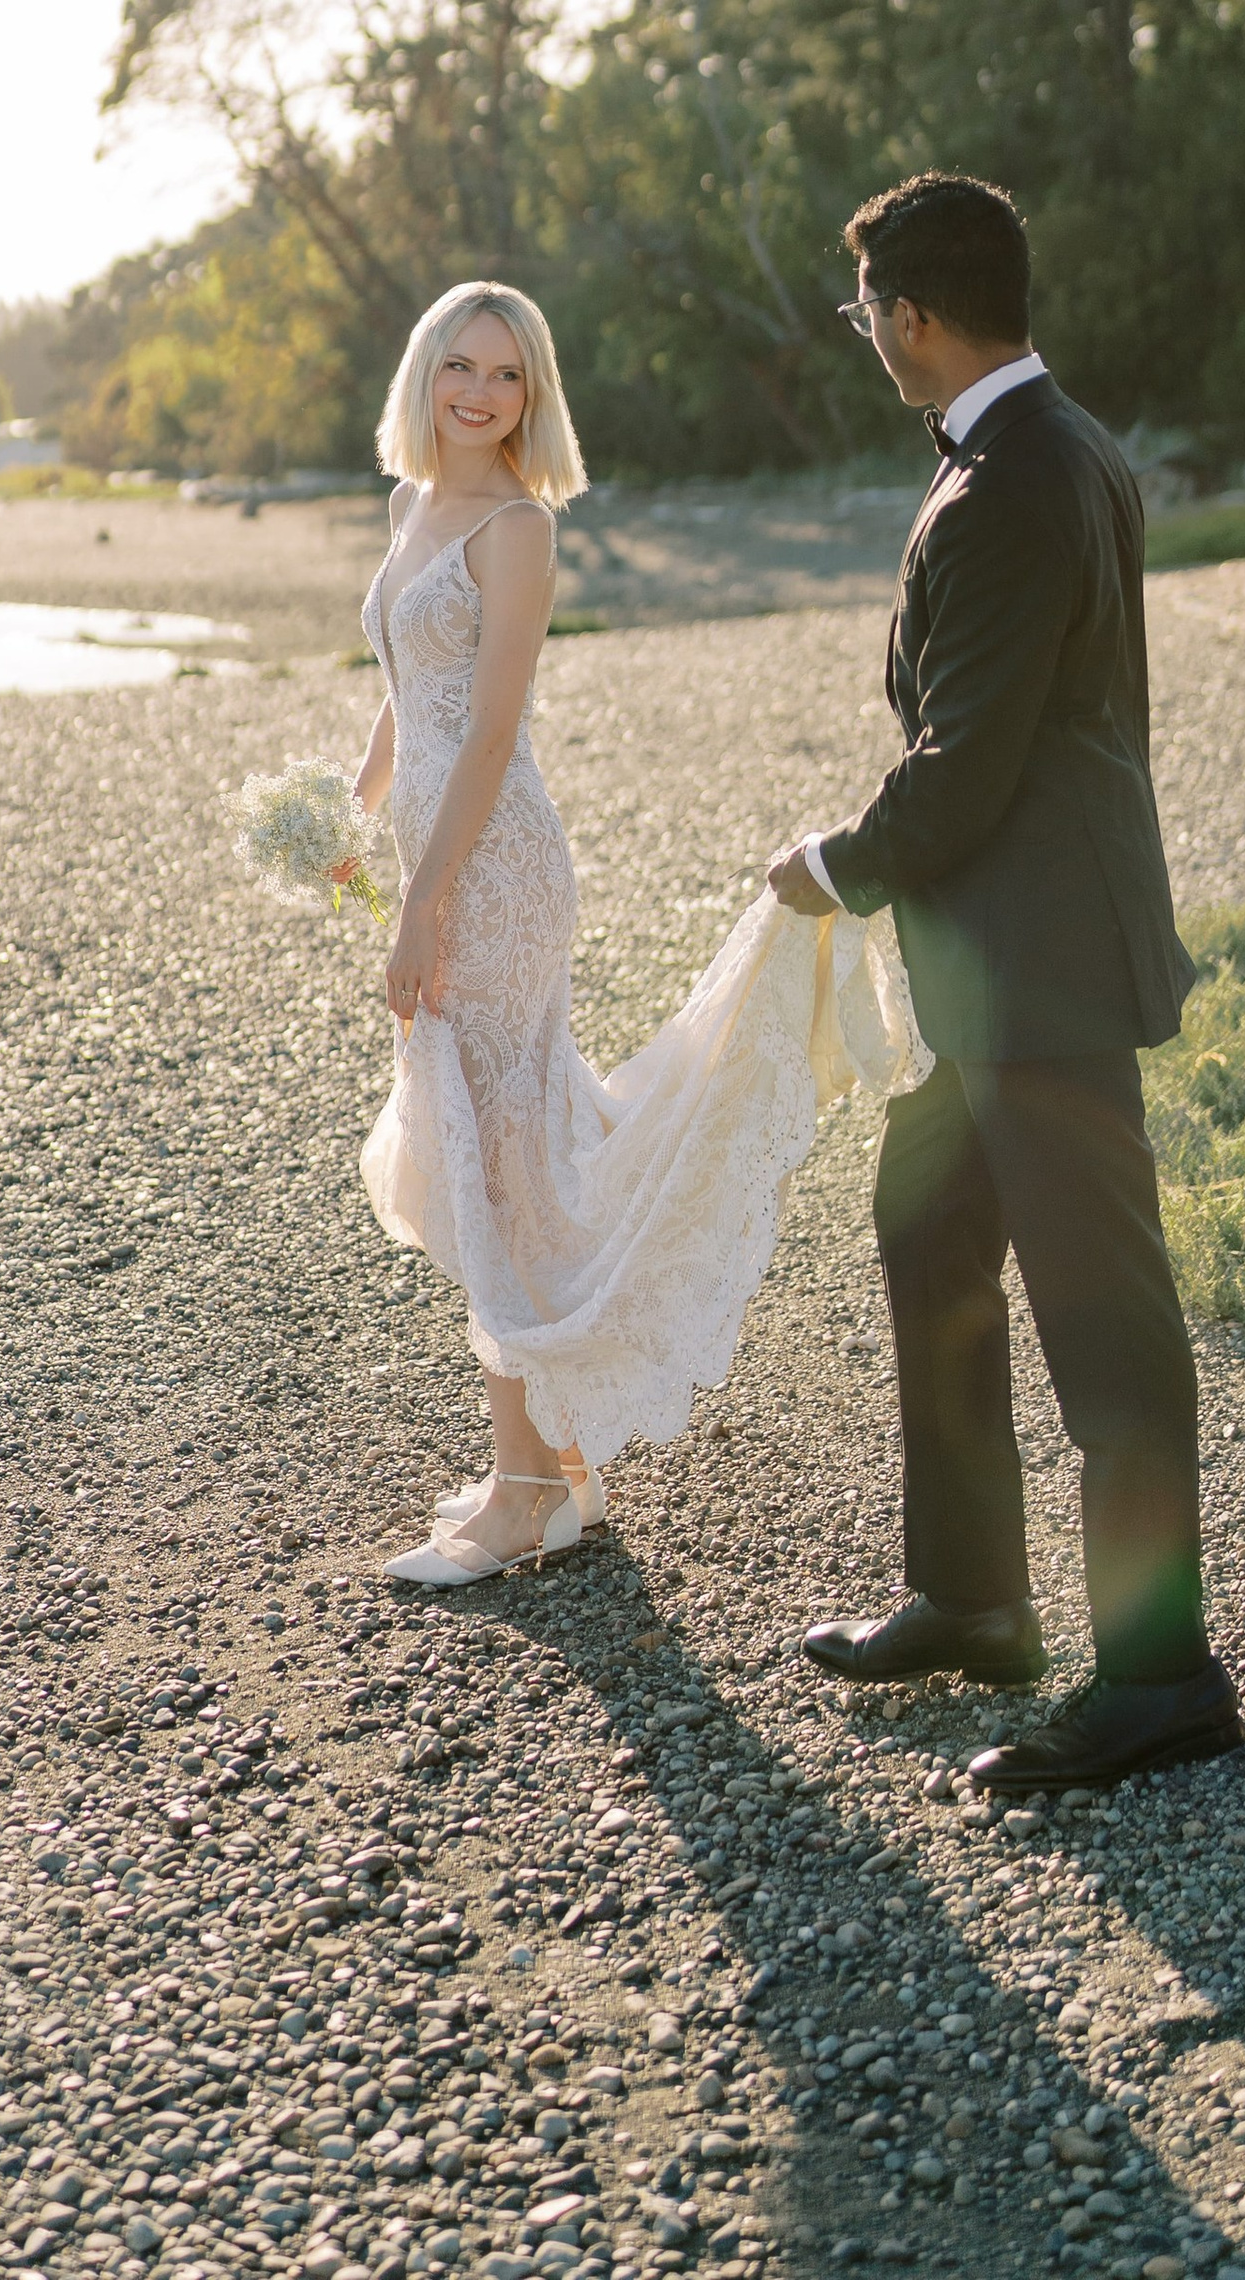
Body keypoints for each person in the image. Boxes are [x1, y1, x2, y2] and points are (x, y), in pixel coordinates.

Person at [767, 170, 1241, 1792]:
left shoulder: (1016, 479)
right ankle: (972, 1596)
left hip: (1040, 965)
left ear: (911, 312)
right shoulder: (1053, 444)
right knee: (929, 1237)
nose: (867, 341)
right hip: (996, 965)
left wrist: (833, 865)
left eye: (867, 315)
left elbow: (963, 761)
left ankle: (1163, 1675)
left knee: (1106, 1322)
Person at [353, 279, 923, 1588]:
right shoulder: (410, 508)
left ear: (532, 396)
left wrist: (425, 901)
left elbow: (491, 734)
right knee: (502, 1153)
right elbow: (408, 697)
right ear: (425, 378)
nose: (479, 395)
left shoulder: (516, 528)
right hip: (437, 859)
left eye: (505, 376)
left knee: (494, 1164)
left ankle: (520, 1497)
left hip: (496, 874)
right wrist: (348, 812)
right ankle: (556, 1473)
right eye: (460, 368)